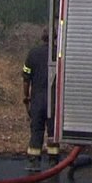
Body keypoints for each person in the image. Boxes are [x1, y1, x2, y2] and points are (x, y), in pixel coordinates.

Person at [21, 31, 60, 171]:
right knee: (52, 131)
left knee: (36, 129)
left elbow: (26, 78)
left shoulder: (33, 53)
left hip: (37, 98)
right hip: (54, 99)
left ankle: (33, 161)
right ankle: (53, 161)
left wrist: (26, 97)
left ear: (42, 38)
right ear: (55, 38)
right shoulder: (59, 54)